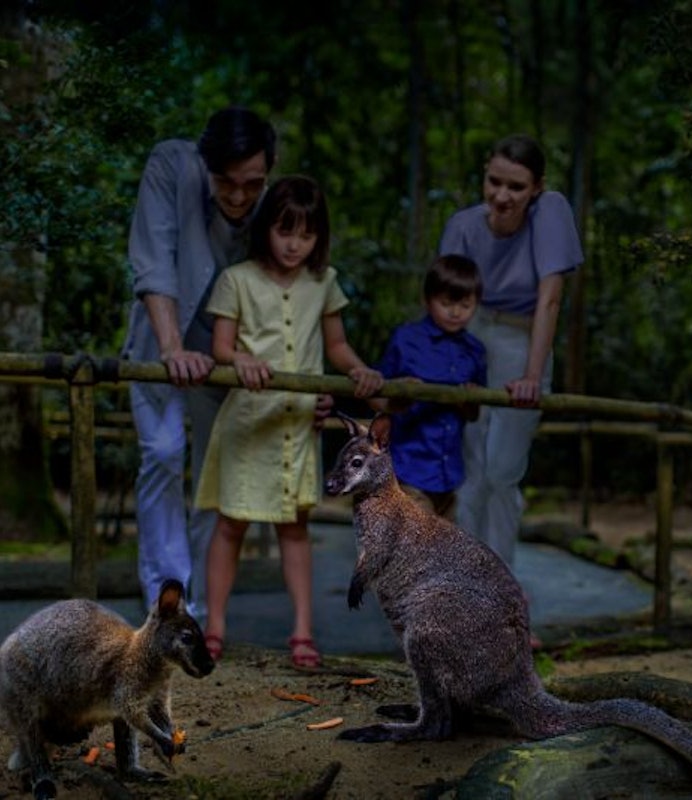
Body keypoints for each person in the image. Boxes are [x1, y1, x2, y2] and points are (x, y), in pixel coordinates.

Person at [196, 175, 384, 667]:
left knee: (296, 526)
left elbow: (337, 345)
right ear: (266, 229)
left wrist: (359, 369)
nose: (295, 243)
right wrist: (240, 360)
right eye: (285, 231)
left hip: (298, 425)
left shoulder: (324, 282)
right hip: (246, 420)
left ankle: (303, 630)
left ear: (320, 236)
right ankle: (214, 626)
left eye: (306, 234)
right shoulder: (236, 279)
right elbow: (220, 345)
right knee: (231, 523)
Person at [122, 107, 279, 624]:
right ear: (206, 165)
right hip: (161, 339)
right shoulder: (172, 164)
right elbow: (154, 259)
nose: (238, 196)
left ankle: (204, 610)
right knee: (164, 452)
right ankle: (165, 600)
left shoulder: (270, 202)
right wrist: (171, 348)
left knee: (218, 471)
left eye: (251, 184)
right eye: (226, 183)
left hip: (228, 351)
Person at [439, 133, 583, 567]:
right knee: (471, 470)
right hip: (470, 335)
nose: (502, 196)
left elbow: (550, 300)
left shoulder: (550, 212)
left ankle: (502, 591)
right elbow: (445, 305)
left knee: (503, 470)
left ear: (537, 187)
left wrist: (532, 376)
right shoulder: (462, 226)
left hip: (523, 340)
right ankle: (465, 593)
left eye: (516, 187)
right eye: (494, 182)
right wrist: (451, 368)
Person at [375, 255, 487, 520]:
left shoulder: (475, 350)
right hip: (408, 468)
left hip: (449, 473)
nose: (455, 311)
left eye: (465, 304)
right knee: (418, 547)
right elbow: (376, 395)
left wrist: (468, 400)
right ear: (427, 300)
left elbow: (474, 414)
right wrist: (401, 398)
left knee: (443, 553)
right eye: (446, 303)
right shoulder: (406, 339)